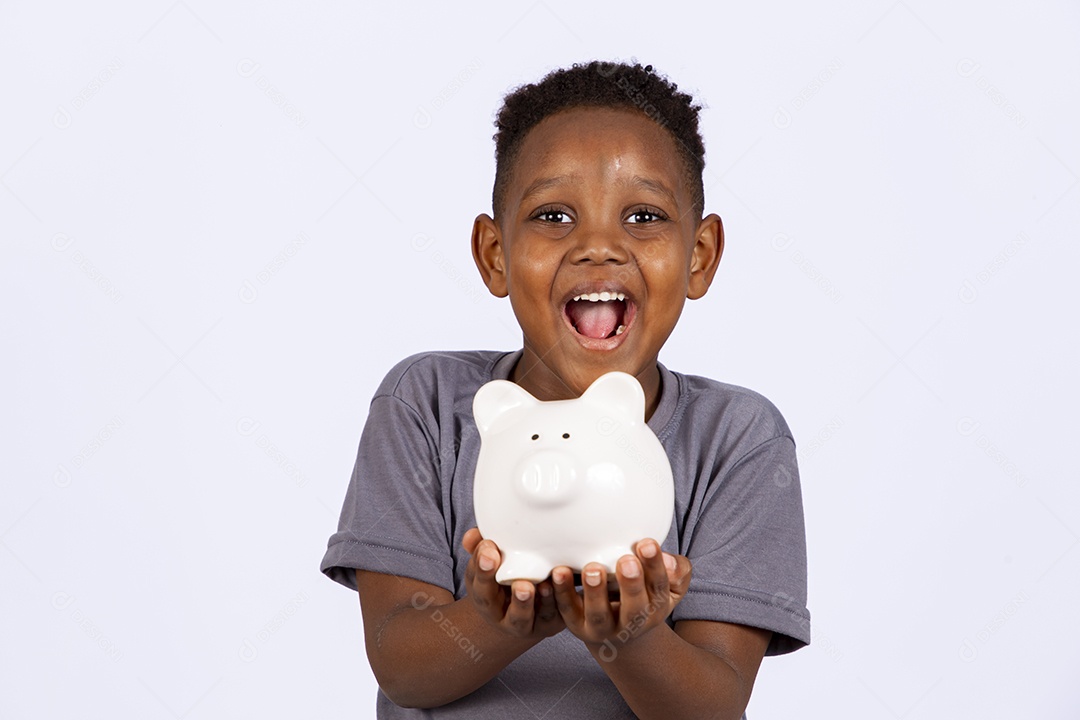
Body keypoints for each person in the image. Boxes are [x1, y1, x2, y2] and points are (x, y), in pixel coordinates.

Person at [320, 60, 810, 719]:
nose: (599, 247)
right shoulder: (426, 405)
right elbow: (401, 667)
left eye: (643, 216)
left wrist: (628, 637)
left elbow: (713, 706)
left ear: (700, 256)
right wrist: (499, 619)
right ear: (496, 254)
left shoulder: (737, 438)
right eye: (553, 215)